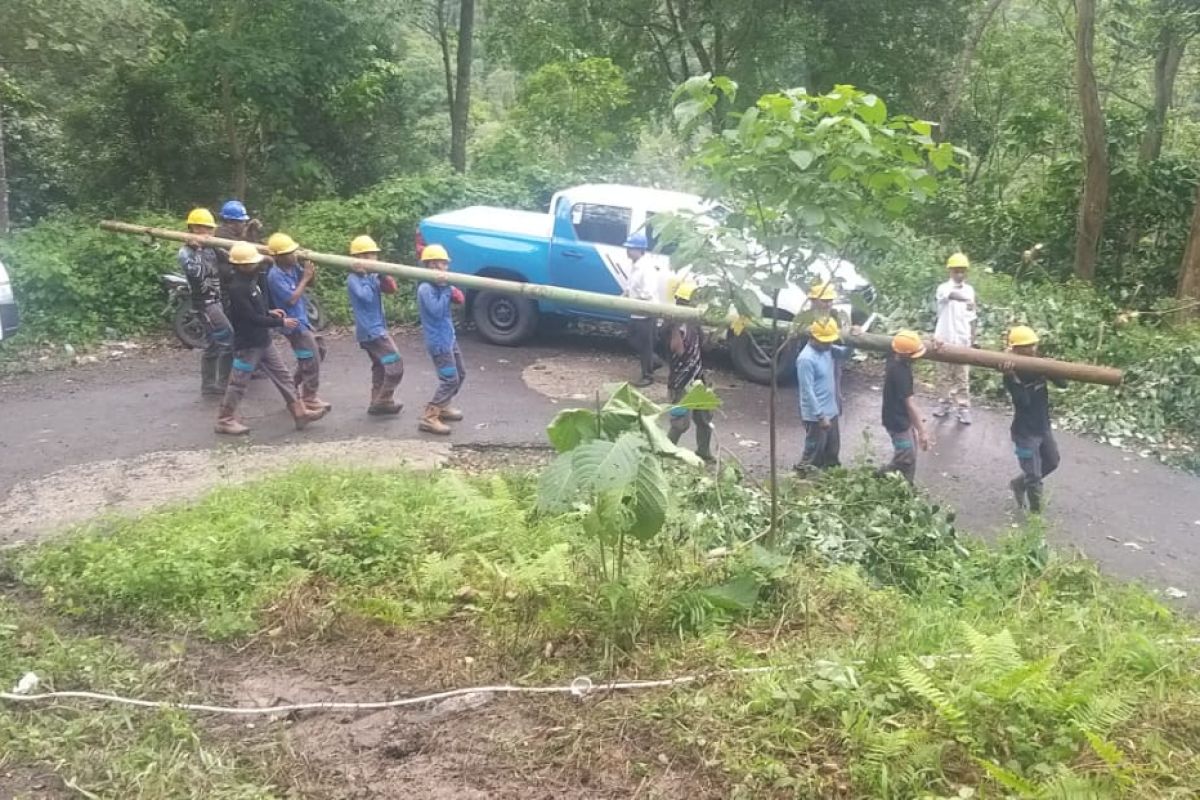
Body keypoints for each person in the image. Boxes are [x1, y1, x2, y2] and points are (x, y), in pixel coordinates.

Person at [215, 242, 326, 435]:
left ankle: (300, 413)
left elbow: (255, 309)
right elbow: (250, 318)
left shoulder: (251, 281)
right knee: (239, 383)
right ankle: (225, 419)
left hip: (264, 341)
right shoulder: (237, 288)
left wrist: (270, 312)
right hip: (248, 345)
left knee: (283, 377)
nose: (256, 265)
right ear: (241, 266)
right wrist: (279, 323)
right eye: (252, 263)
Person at [1001, 326, 1066, 513]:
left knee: (1052, 461)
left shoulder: (1038, 364)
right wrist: (1012, 378)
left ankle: (1018, 484)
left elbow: (1063, 385)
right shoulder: (1011, 373)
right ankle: (1037, 517)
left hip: (1043, 426)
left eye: (1033, 345)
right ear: (1015, 349)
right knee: (1034, 476)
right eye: (1026, 346)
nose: (1032, 349)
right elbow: (1023, 402)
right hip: (1024, 432)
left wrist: (1051, 369)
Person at [266, 232, 330, 415]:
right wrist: (305, 278)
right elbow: (292, 299)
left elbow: (310, 283)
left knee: (319, 349)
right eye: (289, 253)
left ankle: (293, 390)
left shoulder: (292, 268)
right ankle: (309, 397)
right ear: (278, 257)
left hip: (304, 321)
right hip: (293, 325)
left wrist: (310, 272)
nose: (294, 255)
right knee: (311, 358)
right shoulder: (275, 276)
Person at [346, 235, 404, 416]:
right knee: (395, 364)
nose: (373, 259)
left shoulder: (373, 275)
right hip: (371, 332)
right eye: (369, 255)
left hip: (377, 328)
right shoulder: (353, 279)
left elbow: (392, 290)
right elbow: (366, 297)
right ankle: (383, 400)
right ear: (359, 258)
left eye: (374, 255)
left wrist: (383, 273)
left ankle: (376, 401)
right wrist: (367, 277)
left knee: (380, 365)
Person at [177, 208, 231, 396]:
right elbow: (197, 274)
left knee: (213, 342)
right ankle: (223, 384)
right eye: (204, 229)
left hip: (218, 299)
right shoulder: (185, 252)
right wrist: (197, 249)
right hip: (205, 303)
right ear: (192, 228)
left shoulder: (213, 248)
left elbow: (230, 260)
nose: (209, 233)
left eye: (210, 229)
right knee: (227, 338)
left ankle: (209, 385)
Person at [415, 244, 466, 435]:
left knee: (460, 374)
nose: (445, 268)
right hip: (438, 343)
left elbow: (460, 299)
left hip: (449, 339)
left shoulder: (442, 286)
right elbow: (435, 311)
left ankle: (443, 406)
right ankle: (429, 416)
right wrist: (445, 290)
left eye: (446, 264)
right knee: (449, 379)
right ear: (432, 265)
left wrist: (449, 287)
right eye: (442, 264)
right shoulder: (426, 289)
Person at [795, 318, 854, 470]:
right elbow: (807, 390)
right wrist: (820, 416)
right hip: (816, 415)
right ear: (813, 338)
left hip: (831, 410)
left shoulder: (827, 349)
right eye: (825, 341)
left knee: (832, 451)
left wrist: (854, 339)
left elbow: (845, 353)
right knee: (813, 452)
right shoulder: (806, 359)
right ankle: (803, 475)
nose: (828, 344)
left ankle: (829, 477)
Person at [665, 282, 714, 463]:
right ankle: (666, 452)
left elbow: (705, 347)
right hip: (680, 381)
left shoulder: (694, 324)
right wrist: (675, 326)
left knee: (704, 419)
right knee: (680, 422)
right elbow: (677, 349)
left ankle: (704, 452)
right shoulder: (672, 326)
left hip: (698, 377)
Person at [877, 330, 930, 484]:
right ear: (906, 355)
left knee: (911, 454)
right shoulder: (900, 372)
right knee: (906, 456)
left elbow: (902, 338)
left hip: (900, 418)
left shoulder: (893, 356)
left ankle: (907, 486)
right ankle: (881, 476)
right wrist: (922, 431)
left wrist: (933, 340)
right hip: (897, 421)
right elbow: (910, 404)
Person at [932, 252, 978, 424]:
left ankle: (963, 407)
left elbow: (972, 317)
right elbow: (950, 295)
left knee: (962, 377)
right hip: (943, 338)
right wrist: (965, 298)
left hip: (962, 339)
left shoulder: (970, 290)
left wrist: (972, 338)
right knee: (943, 375)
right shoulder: (943, 288)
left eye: (962, 271)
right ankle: (944, 403)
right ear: (950, 271)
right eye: (956, 271)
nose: (960, 274)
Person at [623, 232, 661, 387]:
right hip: (636, 311)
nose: (628, 251)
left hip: (645, 312)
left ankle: (648, 376)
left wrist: (633, 300)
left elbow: (648, 293)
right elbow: (631, 286)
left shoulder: (647, 268)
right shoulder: (635, 266)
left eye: (631, 248)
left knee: (644, 345)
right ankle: (654, 361)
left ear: (640, 250)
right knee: (632, 339)